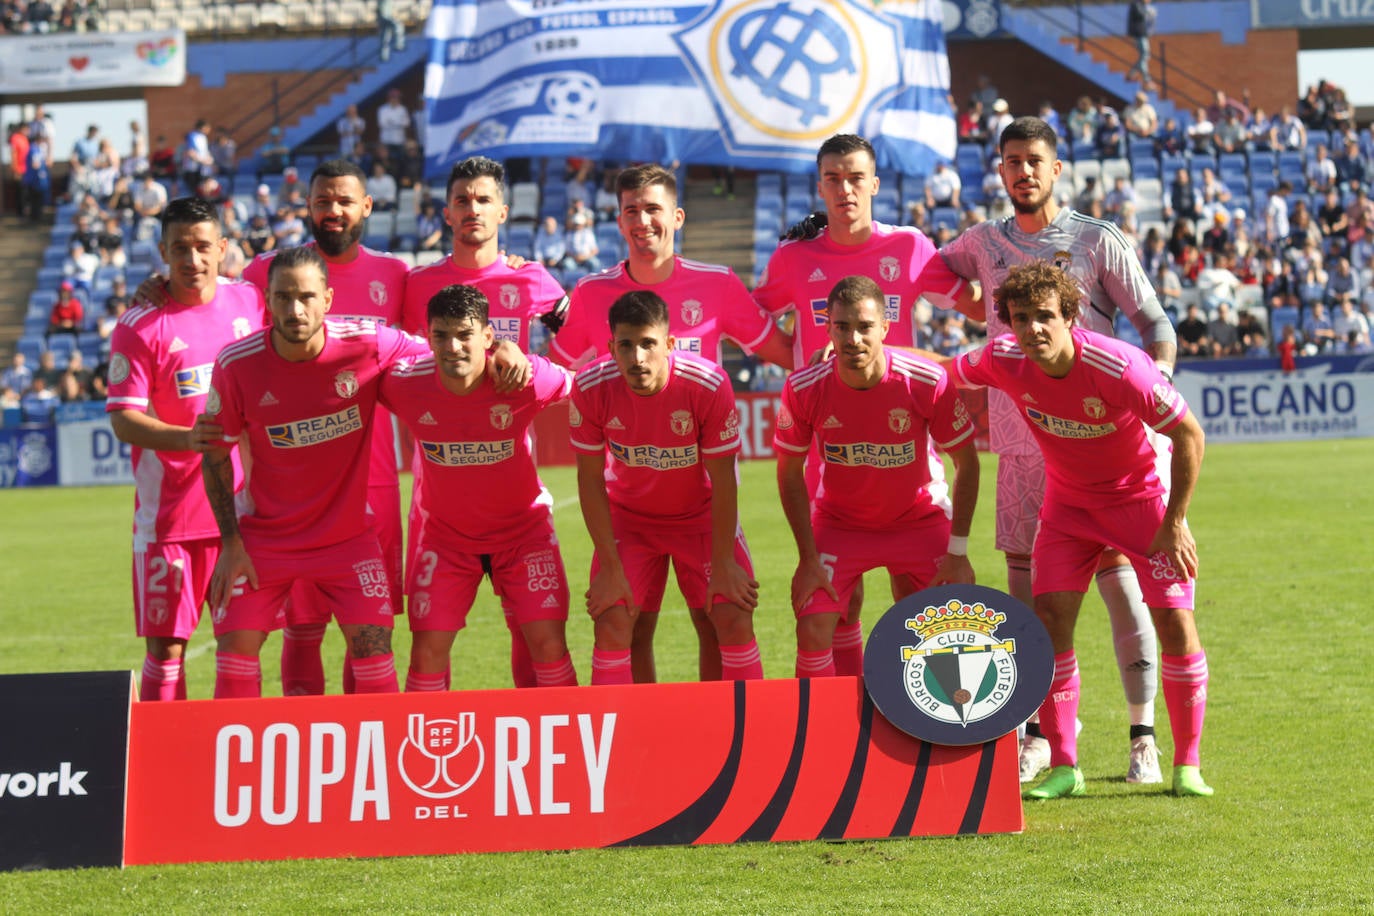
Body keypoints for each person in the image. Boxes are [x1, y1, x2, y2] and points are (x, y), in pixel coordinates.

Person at [938, 116, 1178, 786]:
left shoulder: (1096, 240)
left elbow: (1154, 322)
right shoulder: (985, 242)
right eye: (1010, 160)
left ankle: (1142, 737)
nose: (1022, 171)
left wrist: (1154, 394)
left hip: (1102, 448)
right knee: (1031, 599)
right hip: (1019, 447)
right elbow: (931, 274)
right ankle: (1037, 735)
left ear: (1057, 167)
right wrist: (973, 302)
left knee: (1122, 585)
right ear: (1000, 170)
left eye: (1034, 160)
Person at [944, 261, 1213, 798]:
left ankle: (1187, 765)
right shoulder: (1002, 358)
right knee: (1049, 624)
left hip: (1140, 506)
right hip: (1067, 509)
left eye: (1044, 316)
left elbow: (1189, 434)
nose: (1032, 329)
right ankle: (1066, 766)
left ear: (1071, 316)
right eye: (1020, 318)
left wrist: (1175, 521)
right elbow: (942, 372)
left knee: (1175, 624)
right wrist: (878, 356)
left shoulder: (1119, 367)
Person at [550, 163, 792, 683]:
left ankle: (730, 736)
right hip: (631, 496)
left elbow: (790, 354)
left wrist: (802, 270)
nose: (643, 221)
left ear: (677, 216)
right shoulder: (592, 294)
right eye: (631, 211)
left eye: (653, 209)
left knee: (715, 619)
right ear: (618, 221)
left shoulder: (718, 284)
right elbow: (551, 369)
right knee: (627, 623)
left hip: (699, 496)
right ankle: (632, 746)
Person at [759, 132, 968, 678]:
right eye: (833, 178)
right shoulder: (792, 256)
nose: (845, 188)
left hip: (903, 442)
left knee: (915, 601)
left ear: (874, 184)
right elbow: (747, 320)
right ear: (820, 185)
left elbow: (976, 301)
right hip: (828, 444)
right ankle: (845, 722)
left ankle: (916, 717)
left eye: (855, 177)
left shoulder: (909, 247)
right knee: (835, 600)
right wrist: (803, 365)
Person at [199, 246, 434, 698]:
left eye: (306, 296)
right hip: (263, 540)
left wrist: (500, 348)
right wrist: (229, 543)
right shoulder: (236, 363)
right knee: (234, 655)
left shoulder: (370, 343)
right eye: (283, 297)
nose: (294, 309)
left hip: (347, 540)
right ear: (266, 301)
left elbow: (443, 355)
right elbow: (213, 454)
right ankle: (242, 767)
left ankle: (376, 763)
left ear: (327, 299)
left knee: (374, 652)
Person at [403, 155, 569, 688]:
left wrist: (532, 358)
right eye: (461, 200)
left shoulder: (533, 281)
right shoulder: (416, 284)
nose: (471, 208)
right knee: (428, 642)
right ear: (446, 213)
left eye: (481, 199)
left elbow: (577, 349)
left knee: (532, 633)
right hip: (440, 490)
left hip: (512, 481)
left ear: (502, 210)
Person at [105, 197, 267, 701]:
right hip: (169, 521)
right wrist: (186, 439)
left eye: (202, 247)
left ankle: (233, 767)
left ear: (222, 248)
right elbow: (122, 418)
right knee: (166, 653)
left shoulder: (252, 302)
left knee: (239, 648)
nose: (192, 260)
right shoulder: (139, 325)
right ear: (162, 252)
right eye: (180, 248)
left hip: (241, 517)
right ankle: (160, 764)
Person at [775, 276, 979, 678]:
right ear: (829, 328)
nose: (853, 338)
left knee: (952, 625)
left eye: (865, 326)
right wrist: (808, 558)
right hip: (842, 523)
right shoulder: (803, 388)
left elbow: (967, 463)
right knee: (813, 624)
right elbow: (788, 472)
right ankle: (827, 732)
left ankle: (939, 727)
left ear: (884, 328)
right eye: (843, 327)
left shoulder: (924, 381)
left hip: (918, 519)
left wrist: (957, 552)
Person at [379, 284, 578, 690]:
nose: (453, 346)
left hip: (525, 534)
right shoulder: (402, 384)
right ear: (428, 337)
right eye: (441, 335)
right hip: (446, 540)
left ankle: (568, 749)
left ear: (488, 337)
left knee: (548, 645)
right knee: (426, 652)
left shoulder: (524, 378)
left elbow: (585, 386)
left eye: (465, 334)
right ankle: (422, 750)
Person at [570, 290, 762, 686]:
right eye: (625, 345)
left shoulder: (707, 384)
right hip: (631, 521)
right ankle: (626, 737)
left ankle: (738, 730)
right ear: (610, 346)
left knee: (728, 615)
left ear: (669, 344)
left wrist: (725, 564)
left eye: (647, 344)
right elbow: (589, 479)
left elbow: (724, 478)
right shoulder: (590, 386)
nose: (637, 358)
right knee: (614, 619)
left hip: (700, 518)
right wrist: (608, 565)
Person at [1125, 0, 1156, 86]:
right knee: (1145, 55)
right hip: (1138, 34)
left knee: (1145, 55)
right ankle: (1146, 79)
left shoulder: (1139, 5)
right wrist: (1149, 11)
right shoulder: (1136, 4)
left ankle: (1131, 74)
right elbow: (1141, 14)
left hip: (1141, 33)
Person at [376, 89, 410, 165]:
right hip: (386, 140)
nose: (395, 99)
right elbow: (382, 124)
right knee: (386, 162)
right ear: (389, 98)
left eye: (397, 97)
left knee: (401, 161)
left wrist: (391, 122)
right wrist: (398, 123)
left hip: (399, 140)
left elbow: (406, 123)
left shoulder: (403, 109)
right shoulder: (383, 109)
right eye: (394, 97)